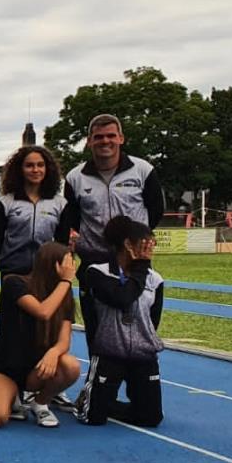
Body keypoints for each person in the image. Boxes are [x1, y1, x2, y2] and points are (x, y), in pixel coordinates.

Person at [57, 113, 163, 346]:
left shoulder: (143, 170)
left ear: (121, 138)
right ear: (89, 141)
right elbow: (72, 220)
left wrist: (135, 243)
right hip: (94, 261)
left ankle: (138, 375)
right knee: (96, 327)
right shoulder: (75, 177)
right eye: (99, 137)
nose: (105, 141)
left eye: (110, 136)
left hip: (134, 261)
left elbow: (155, 211)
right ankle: (99, 378)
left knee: (138, 322)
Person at [0, 241, 81, 430]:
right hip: (6, 368)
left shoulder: (64, 297)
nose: (71, 270)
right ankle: (13, 394)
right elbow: (43, 312)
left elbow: (64, 340)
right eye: (67, 265)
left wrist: (54, 352)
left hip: (37, 371)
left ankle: (40, 402)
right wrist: (66, 282)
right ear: (53, 264)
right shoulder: (14, 283)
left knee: (71, 365)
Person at [76, 216, 164, 427]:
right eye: (146, 243)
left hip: (143, 355)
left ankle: (112, 407)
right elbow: (121, 297)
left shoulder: (155, 279)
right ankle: (90, 402)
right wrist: (140, 268)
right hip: (109, 354)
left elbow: (153, 319)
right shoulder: (97, 272)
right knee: (93, 418)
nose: (150, 249)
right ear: (127, 245)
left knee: (151, 418)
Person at [0, 145, 67, 277]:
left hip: (46, 273)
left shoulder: (59, 203)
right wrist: (10, 261)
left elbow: (62, 242)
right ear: (20, 169)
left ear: (47, 169)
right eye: (29, 165)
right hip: (13, 273)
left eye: (40, 165)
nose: (35, 170)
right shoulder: (6, 202)